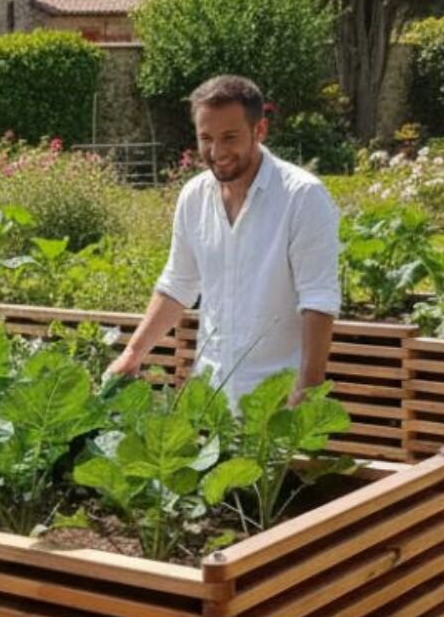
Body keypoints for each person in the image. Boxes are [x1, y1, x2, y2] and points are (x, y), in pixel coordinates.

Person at [107, 74, 341, 407]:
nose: (216, 152)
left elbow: (318, 299)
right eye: (206, 138)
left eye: (230, 137)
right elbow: (178, 283)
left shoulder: (302, 197)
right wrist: (133, 353)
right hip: (210, 399)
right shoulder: (194, 196)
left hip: (275, 402)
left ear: (259, 130)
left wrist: (305, 391)